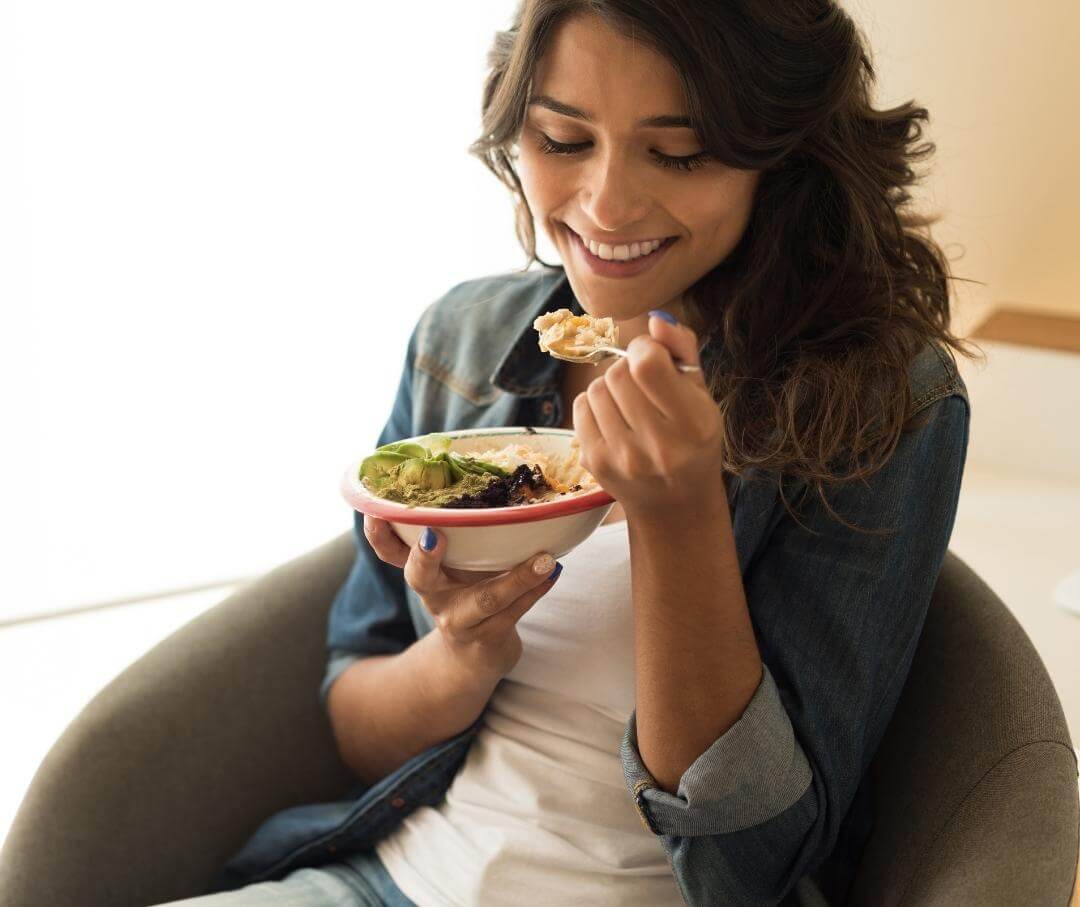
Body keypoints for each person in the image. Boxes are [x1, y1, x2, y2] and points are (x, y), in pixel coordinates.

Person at [159, 1, 981, 905]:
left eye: (679, 151)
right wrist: (464, 650)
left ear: (779, 150)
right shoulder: (463, 341)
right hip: (386, 877)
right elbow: (357, 719)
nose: (607, 204)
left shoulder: (879, 401)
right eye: (560, 138)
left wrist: (679, 518)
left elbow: (755, 862)